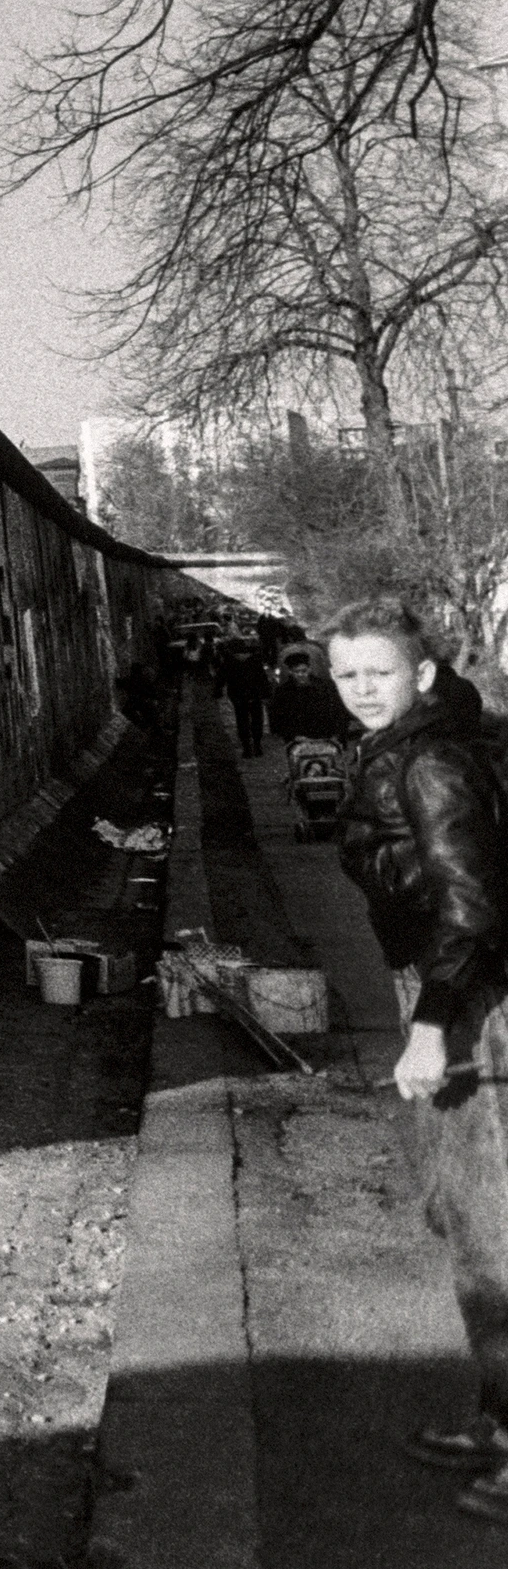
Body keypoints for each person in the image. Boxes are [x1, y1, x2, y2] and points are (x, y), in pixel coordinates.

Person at [327, 599, 508, 1520]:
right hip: (450, 987)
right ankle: (499, 1414)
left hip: (468, 996)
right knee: (463, 1209)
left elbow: (472, 906)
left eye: (380, 672)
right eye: (347, 673)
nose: (362, 689)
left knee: (489, 1221)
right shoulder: (406, 742)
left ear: (422, 674)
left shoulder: (431, 760)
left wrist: (433, 1025)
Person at [223, 636, 274, 759]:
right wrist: (266, 694)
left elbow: (222, 678)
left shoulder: (229, 661)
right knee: (257, 720)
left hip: (238, 697)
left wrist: (218, 691)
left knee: (242, 721)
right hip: (254, 695)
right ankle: (257, 745)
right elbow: (262, 678)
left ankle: (246, 748)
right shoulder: (255, 660)